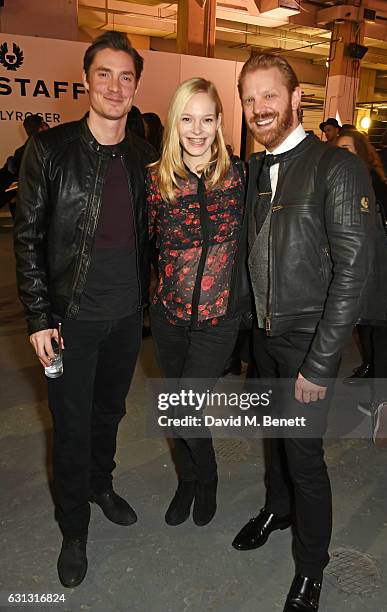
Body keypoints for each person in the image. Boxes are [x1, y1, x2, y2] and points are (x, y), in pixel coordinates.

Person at [232, 54, 376, 612]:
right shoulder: (253, 170)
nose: (259, 109)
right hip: (264, 338)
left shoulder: (335, 168)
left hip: (306, 342)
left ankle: (311, 567)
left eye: (271, 96)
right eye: (250, 99)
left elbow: (353, 273)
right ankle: (277, 508)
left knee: (305, 458)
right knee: (274, 441)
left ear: (297, 100)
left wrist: (319, 364)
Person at [14, 31, 156, 588]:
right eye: (105, 74)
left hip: (126, 319)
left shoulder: (146, 158)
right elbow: (27, 239)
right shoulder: (50, 151)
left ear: (136, 85)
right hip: (70, 320)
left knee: (109, 414)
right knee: (70, 427)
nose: (115, 86)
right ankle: (73, 528)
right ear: (86, 79)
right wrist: (38, 318)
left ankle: (100, 484)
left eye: (126, 76)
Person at [147, 78, 249, 527]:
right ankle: (186, 479)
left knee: (186, 407)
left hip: (217, 319)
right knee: (175, 406)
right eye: (187, 119)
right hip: (168, 317)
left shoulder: (240, 176)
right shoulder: (156, 180)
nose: (197, 130)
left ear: (220, 123)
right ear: (174, 123)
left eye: (207, 119)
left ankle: (206, 478)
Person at [337, 129, 387, 447]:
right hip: (376, 272)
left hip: (372, 272)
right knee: (376, 336)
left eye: (348, 147)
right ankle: (383, 401)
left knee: (379, 336)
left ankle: (383, 402)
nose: (343, 154)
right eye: (339, 149)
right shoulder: (377, 179)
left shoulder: (359, 183)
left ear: (361, 150)